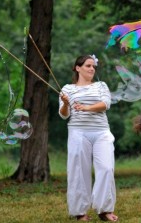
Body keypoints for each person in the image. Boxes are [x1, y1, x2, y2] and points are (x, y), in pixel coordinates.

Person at [59, 55, 118, 222]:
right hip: (78, 132)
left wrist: (86, 107)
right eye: (88, 66)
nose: (92, 69)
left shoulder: (101, 86)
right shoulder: (67, 89)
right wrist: (65, 103)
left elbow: (105, 104)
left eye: (93, 66)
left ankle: (104, 209)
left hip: (101, 132)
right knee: (78, 171)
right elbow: (64, 115)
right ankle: (80, 212)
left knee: (106, 168)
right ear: (78, 68)